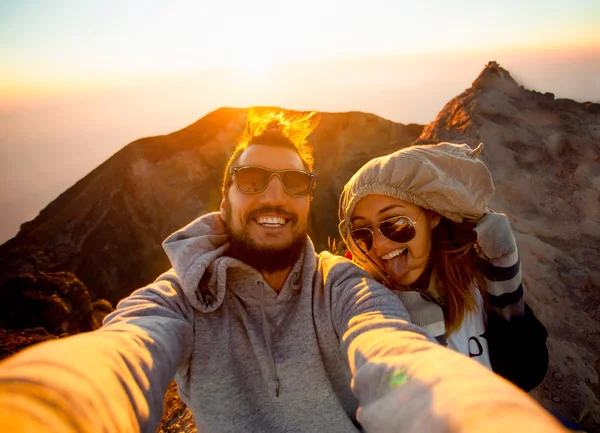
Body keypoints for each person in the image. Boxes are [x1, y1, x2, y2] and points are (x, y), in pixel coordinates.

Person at [0, 113, 564, 433]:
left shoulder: (343, 285)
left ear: (307, 202)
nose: (274, 195)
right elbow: (124, 349)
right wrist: (44, 407)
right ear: (223, 199)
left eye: (294, 183)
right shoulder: (178, 298)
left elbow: (393, 354)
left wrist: (484, 414)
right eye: (252, 179)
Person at [338, 142, 549, 392]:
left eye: (395, 223)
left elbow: (527, 372)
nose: (381, 244)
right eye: (363, 233)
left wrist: (505, 287)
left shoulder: (475, 281)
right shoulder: (366, 310)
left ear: (433, 215)